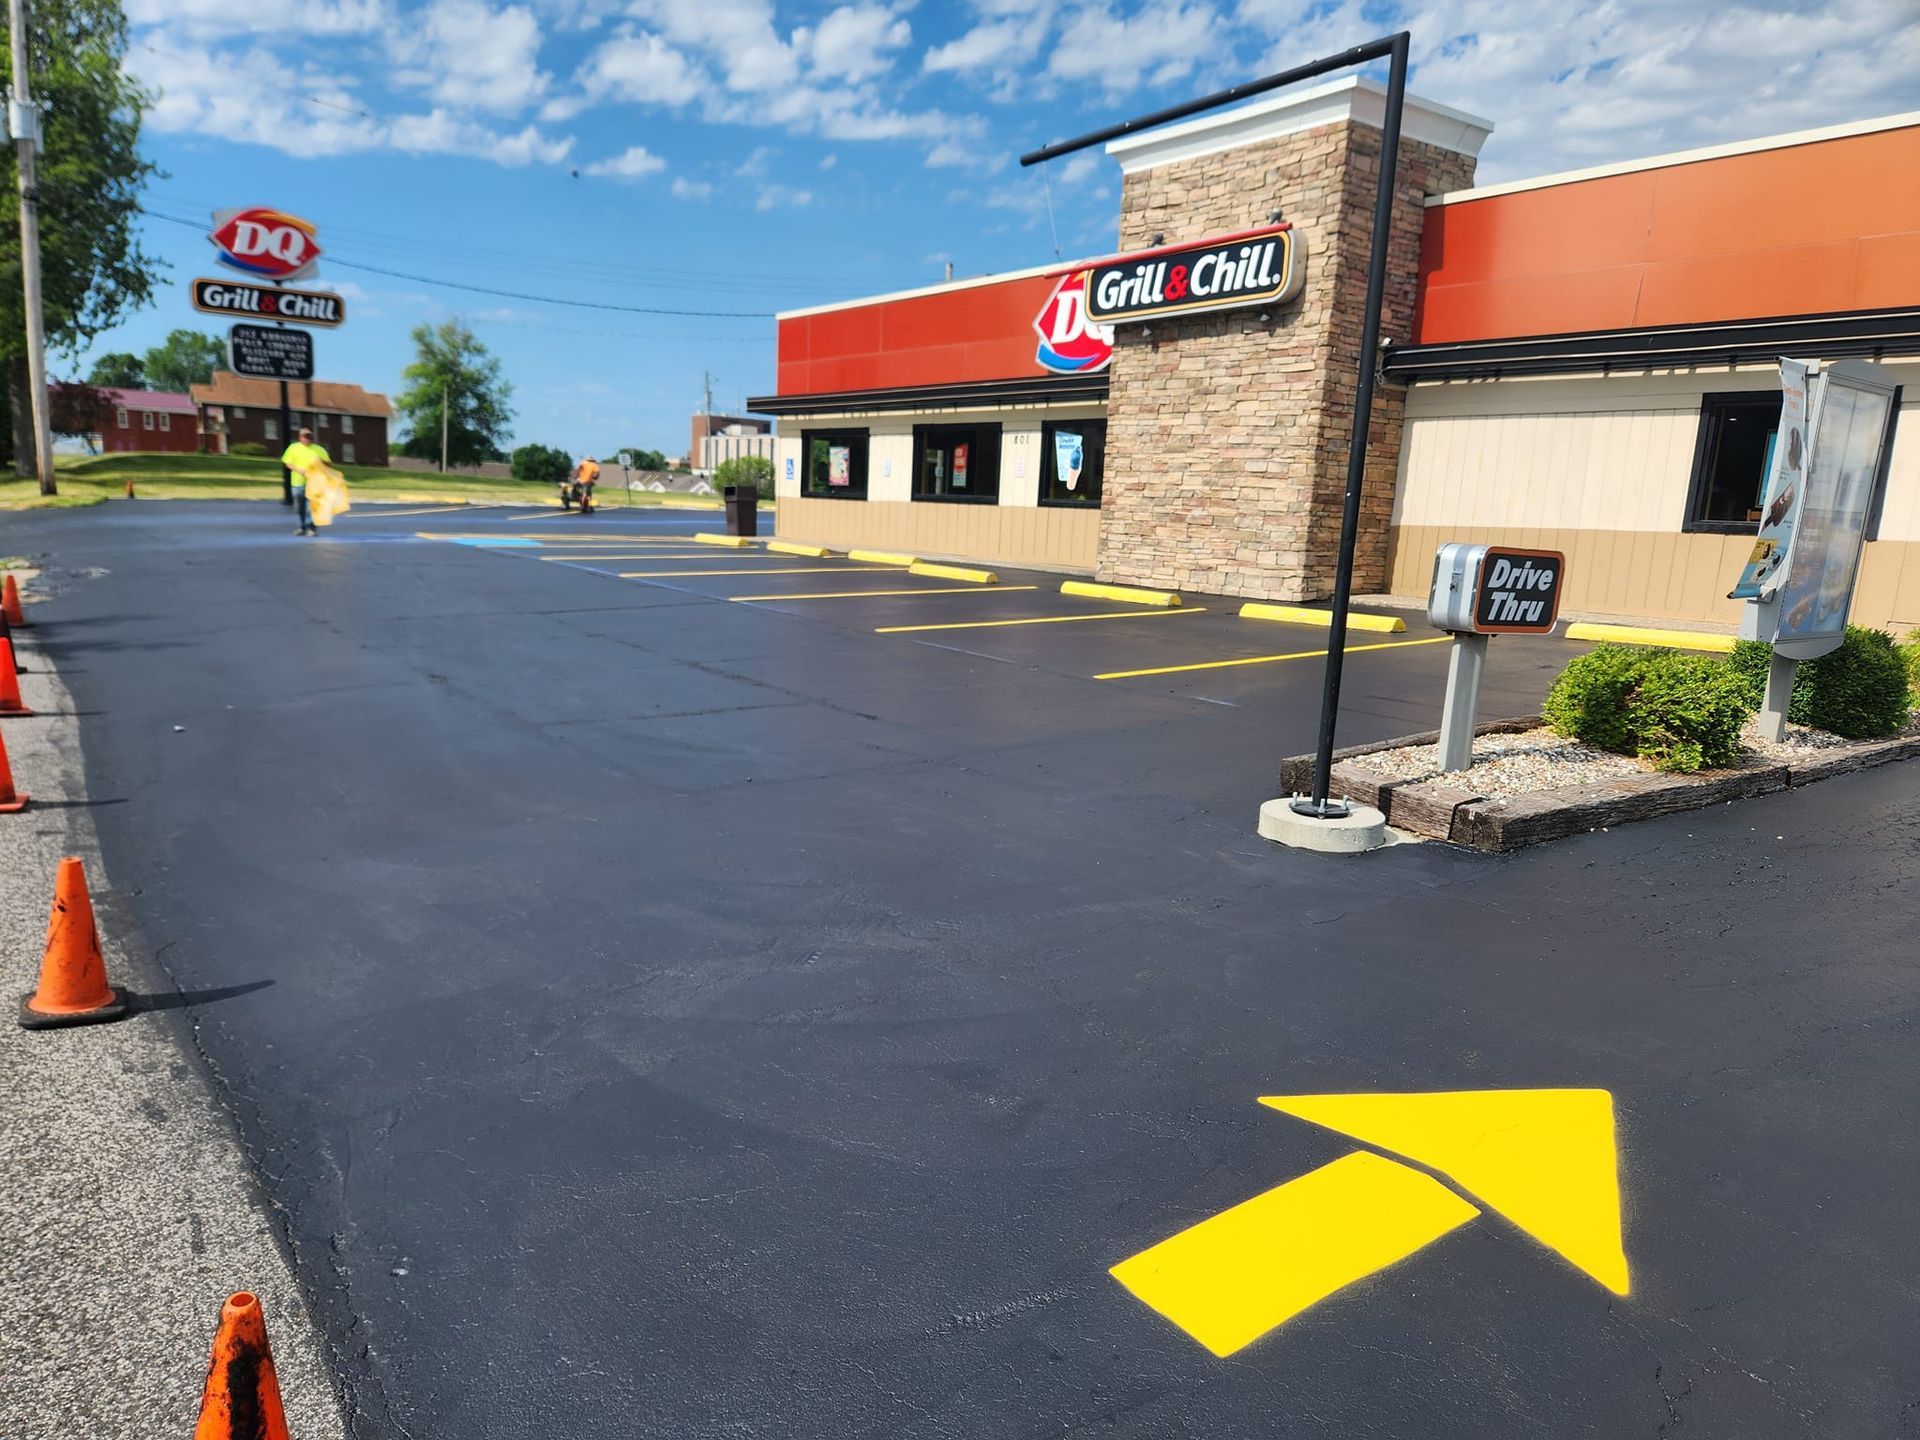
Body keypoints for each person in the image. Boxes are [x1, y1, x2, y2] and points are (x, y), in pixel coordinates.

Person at [280, 426, 330, 536]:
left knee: (312, 507)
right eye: (306, 437)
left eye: (310, 437)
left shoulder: (319, 449)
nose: (308, 439)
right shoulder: (293, 448)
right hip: (298, 482)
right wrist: (300, 470)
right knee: (299, 507)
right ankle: (301, 527)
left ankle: (311, 528)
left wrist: (321, 462)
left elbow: (328, 463)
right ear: (300, 437)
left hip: (314, 482)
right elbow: (288, 463)